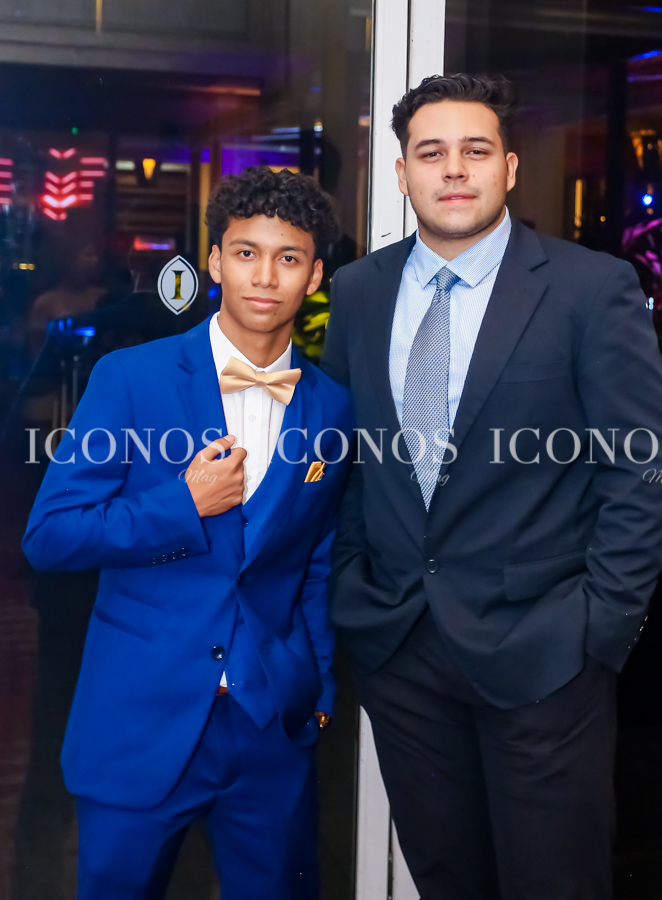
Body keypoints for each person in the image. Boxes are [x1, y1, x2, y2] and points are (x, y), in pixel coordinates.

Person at [321, 73, 662, 900]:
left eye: (475, 150)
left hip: (545, 653)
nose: (453, 169)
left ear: (509, 167)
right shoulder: (358, 291)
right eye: (431, 153)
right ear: (402, 172)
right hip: (399, 646)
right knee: (445, 879)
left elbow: (648, 462)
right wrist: (352, 583)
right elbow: (346, 456)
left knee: (552, 883)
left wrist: (600, 624)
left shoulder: (588, 288)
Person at [23, 166, 351, 900]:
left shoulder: (331, 406)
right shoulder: (131, 378)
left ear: (313, 275)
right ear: (214, 261)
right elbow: (50, 535)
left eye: (288, 257)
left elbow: (315, 557)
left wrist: (320, 682)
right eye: (245, 252)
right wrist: (181, 504)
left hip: (270, 726)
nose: (264, 276)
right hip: (141, 717)